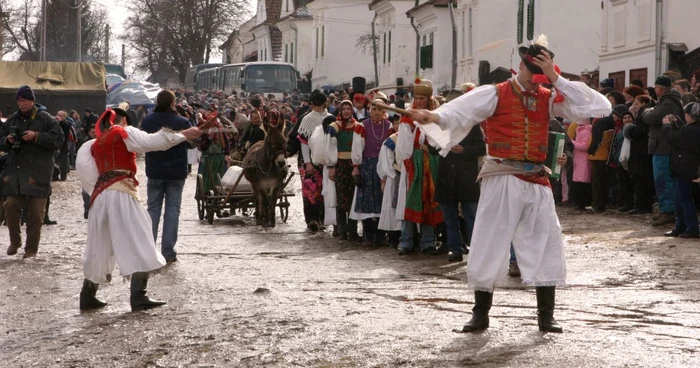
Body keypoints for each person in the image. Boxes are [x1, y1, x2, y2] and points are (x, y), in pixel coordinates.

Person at [409, 36, 612, 333]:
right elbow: (460, 110)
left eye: (542, 77)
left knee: (547, 241)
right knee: (489, 241)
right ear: (520, 67)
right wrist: (433, 115)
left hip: (537, 179)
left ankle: (546, 316)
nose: (535, 82)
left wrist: (556, 78)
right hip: (502, 176)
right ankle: (480, 313)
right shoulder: (495, 93)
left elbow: (598, 106)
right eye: (533, 75)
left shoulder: (548, 96)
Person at [75, 107, 200, 311]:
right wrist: (184, 134)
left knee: (99, 245)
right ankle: (138, 295)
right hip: (121, 192)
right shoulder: (123, 132)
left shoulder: (91, 144)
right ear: (123, 119)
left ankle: (87, 296)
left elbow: (86, 175)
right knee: (141, 237)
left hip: (99, 197)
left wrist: (102, 190)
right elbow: (152, 142)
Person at [1, 86, 64, 258]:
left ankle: (31, 250)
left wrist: (37, 136)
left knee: (36, 214)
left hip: (39, 173)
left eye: (25, 100)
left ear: (33, 101)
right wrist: (7, 140)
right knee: (10, 206)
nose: (22, 104)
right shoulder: (12, 120)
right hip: (16, 173)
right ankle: (15, 241)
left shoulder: (46, 119)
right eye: (19, 101)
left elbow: (59, 140)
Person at [435, 88, 486, 263]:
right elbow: (433, 148)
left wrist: (463, 150)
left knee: (471, 215)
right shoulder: (442, 124)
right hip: (447, 175)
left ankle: (476, 250)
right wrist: (438, 145)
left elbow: (481, 148)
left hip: (466, 177)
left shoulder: (472, 124)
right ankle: (455, 249)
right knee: (450, 217)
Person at [142, 90, 192, 264]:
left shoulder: (147, 121)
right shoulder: (182, 122)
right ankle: (168, 252)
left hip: (154, 170)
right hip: (176, 172)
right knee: (172, 211)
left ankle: (149, 252)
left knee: (153, 210)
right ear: (173, 103)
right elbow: (191, 144)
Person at [396, 79, 443, 256]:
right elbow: (404, 141)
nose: (419, 101)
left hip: (431, 160)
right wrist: (408, 161)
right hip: (414, 160)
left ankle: (428, 241)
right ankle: (406, 241)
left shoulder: (435, 115)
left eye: (422, 98)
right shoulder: (408, 115)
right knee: (412, 199)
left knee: (430, 199)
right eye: (416, 97)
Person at [642, 75, 683, 227]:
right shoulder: (668, 101)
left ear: (659, 88)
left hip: (663, 148)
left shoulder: (668, 102)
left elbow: (652, 117)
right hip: (661, 146)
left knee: (663, 179)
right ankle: (666, 209)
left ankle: (668, 211)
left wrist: (646, 111)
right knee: (662, 180)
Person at [350, 98, 393, 246]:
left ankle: (381, 235)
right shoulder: (362, 126)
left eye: (380, 110)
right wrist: (356, 166)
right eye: (374, 110)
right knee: (367, 201)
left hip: (384, 166)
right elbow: (357, 147)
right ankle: (368, 235)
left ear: (384, 111)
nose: (376, 113)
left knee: (383, 199)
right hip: (367, 165)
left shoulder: (389, 126)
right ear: (370, 110)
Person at [287, 90, 331, 231]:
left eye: (318, 104)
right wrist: (307, 163)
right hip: (309, 161)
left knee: (325, 190)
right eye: (313, 104)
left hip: (326, 161)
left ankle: (323, 218)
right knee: (310, 190)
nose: (315, 107)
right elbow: (303, 142)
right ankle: (311, 219)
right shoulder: (307, 119)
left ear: (325, 103)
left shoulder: (331, 118)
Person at [661, 103, 700, 238]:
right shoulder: (693, 128)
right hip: (688, 167)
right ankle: (681, 226)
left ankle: (691, 227)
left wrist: (666, 125)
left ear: (690, 115)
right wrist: (677, 122)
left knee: (684, 199)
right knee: (680, 199)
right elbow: (682, 134)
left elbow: (672, 138)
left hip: (685, 167)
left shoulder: (690, 130)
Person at [326, 100, 361, 241]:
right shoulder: (334, 127)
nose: (346, 111)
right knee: (340, 197)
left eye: (349, 108)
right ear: (340, 110)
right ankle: (342, 230)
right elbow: (330, 148)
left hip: (353, 165)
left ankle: (352, 231)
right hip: (340, 164)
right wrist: (331, 166)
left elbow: (359, 147)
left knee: (353, 197)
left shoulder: (358, 127)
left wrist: (357, 165)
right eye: (344, 108)